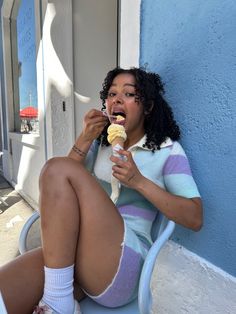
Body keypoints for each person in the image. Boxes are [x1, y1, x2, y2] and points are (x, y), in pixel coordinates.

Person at [0, 67, 203, 314]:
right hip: (77, 255)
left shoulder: (167, 151)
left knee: (55, 167)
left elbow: (194, 217)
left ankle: (57, 303)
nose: (116, 99)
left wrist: (138, 181)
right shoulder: (101, 147)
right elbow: (56, 190)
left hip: (123, 266)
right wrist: (84, 139)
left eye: (129, 94)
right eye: (111, 93)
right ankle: (61, 298)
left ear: (147, 107)